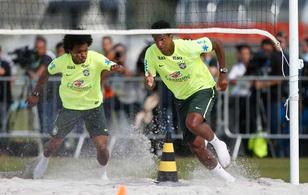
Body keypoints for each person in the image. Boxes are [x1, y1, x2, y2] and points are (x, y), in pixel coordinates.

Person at [144, 20, 234, 182]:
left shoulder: (187, 46)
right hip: (181, 98)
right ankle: (227, 179)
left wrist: (223, 73)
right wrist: (149, 81)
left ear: (171, 36)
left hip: (203, 88)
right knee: (196, 146)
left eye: (162, 39)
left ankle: (218, 143)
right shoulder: (151, 53)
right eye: (155, 39)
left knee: (192, 122)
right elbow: (149, 77)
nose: (159, 43)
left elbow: (218, 43)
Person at [26, 34, 125, 179]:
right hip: (70, 108)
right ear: (69, 51)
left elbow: (110, 64)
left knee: (102, 147)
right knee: (53, 145)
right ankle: (44, 161)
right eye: (79, 51)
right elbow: (46, 72)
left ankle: (103, 173)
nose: (83, 54)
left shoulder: (95, 57)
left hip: (94, 108)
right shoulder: (61, 61)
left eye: (85, 50)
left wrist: (116, 67)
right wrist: (35, 93)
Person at [26, 36, 55, 134]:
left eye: (40, 48)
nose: (37, 50)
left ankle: (51, 146)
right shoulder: (37, 57)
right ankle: (45, 146)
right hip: (40, 95)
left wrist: (28, 70)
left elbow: (37, 76)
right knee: (43, 124)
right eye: (36, 48)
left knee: (48, 124)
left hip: (49, 96)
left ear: (45, 47)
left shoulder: (47, 57)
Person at [0, 46, 13, 133]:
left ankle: (4, 144)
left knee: (4, 123)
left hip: (4, 99)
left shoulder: (5, 63)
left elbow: (2, 72)